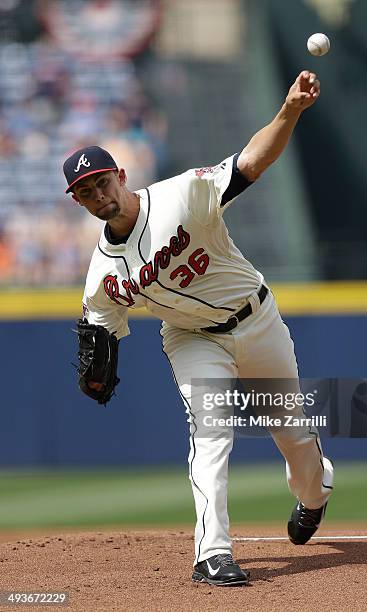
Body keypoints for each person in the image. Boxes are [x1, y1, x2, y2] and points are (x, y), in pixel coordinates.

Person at [64, 70, 334, 586]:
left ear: (120, 174)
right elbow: (98, 332)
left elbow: (252, 161)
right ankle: (212, 552)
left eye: (102, 181)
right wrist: (95, 367)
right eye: (86, 191)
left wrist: (290, 111)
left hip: (256, 320)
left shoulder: (183, 194)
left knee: (292, 433)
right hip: (191, 339)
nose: (99, 194)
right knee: (211, 433)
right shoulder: (101, 275)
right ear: (79, 202)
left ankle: (314, 492)